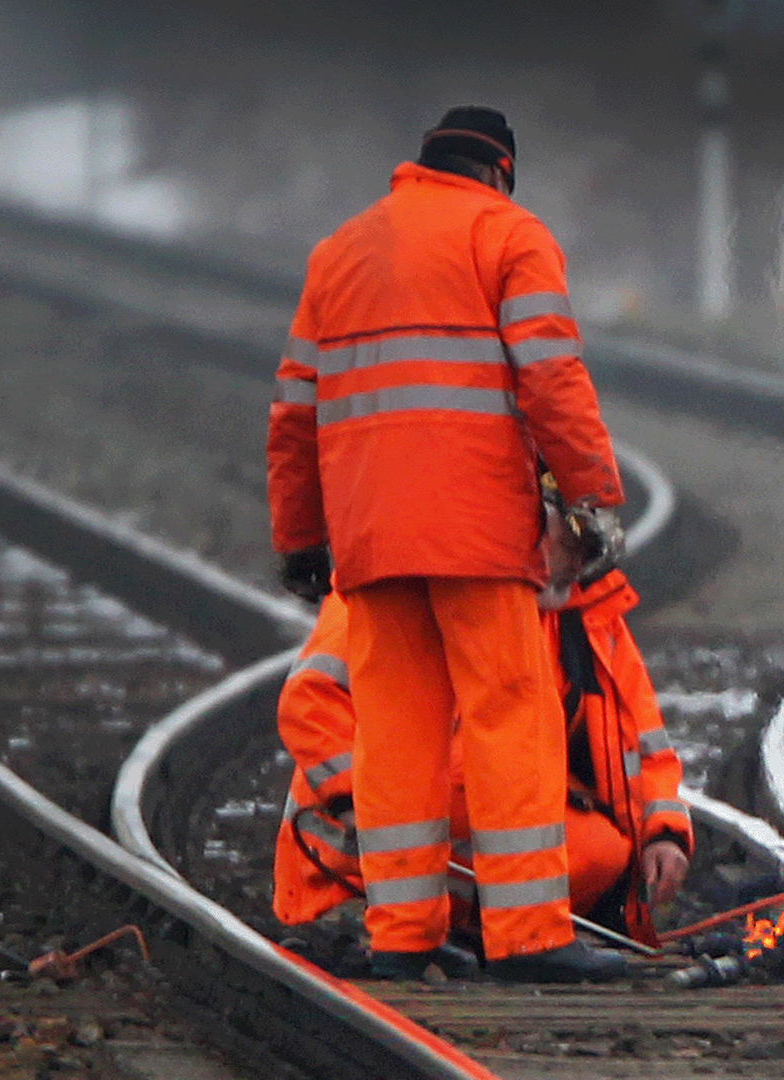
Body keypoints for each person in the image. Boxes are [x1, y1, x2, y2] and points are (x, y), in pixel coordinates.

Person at [267, 105, 626, 982]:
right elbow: (551, 375)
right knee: (509, 713)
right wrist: (593, 497)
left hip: (372, 542)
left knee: (395, 731)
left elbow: (294, 412)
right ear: (500, 170)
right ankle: (530, 935)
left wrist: (301, 539)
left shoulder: (338, 253)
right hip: (477, 534)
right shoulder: (509, 234)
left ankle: (402, 933)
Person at [272, 502, 691, 971]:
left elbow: (646, 742)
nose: (576, 557)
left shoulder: (589, 616)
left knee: (599, 851)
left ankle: (506, 934)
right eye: (568, 537)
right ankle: (409, 928)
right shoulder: (402, 586)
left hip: (460, 847)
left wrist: (664, 833)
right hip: (358, 851)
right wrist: (356, 801)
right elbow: (311, 700)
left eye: (585, 542)